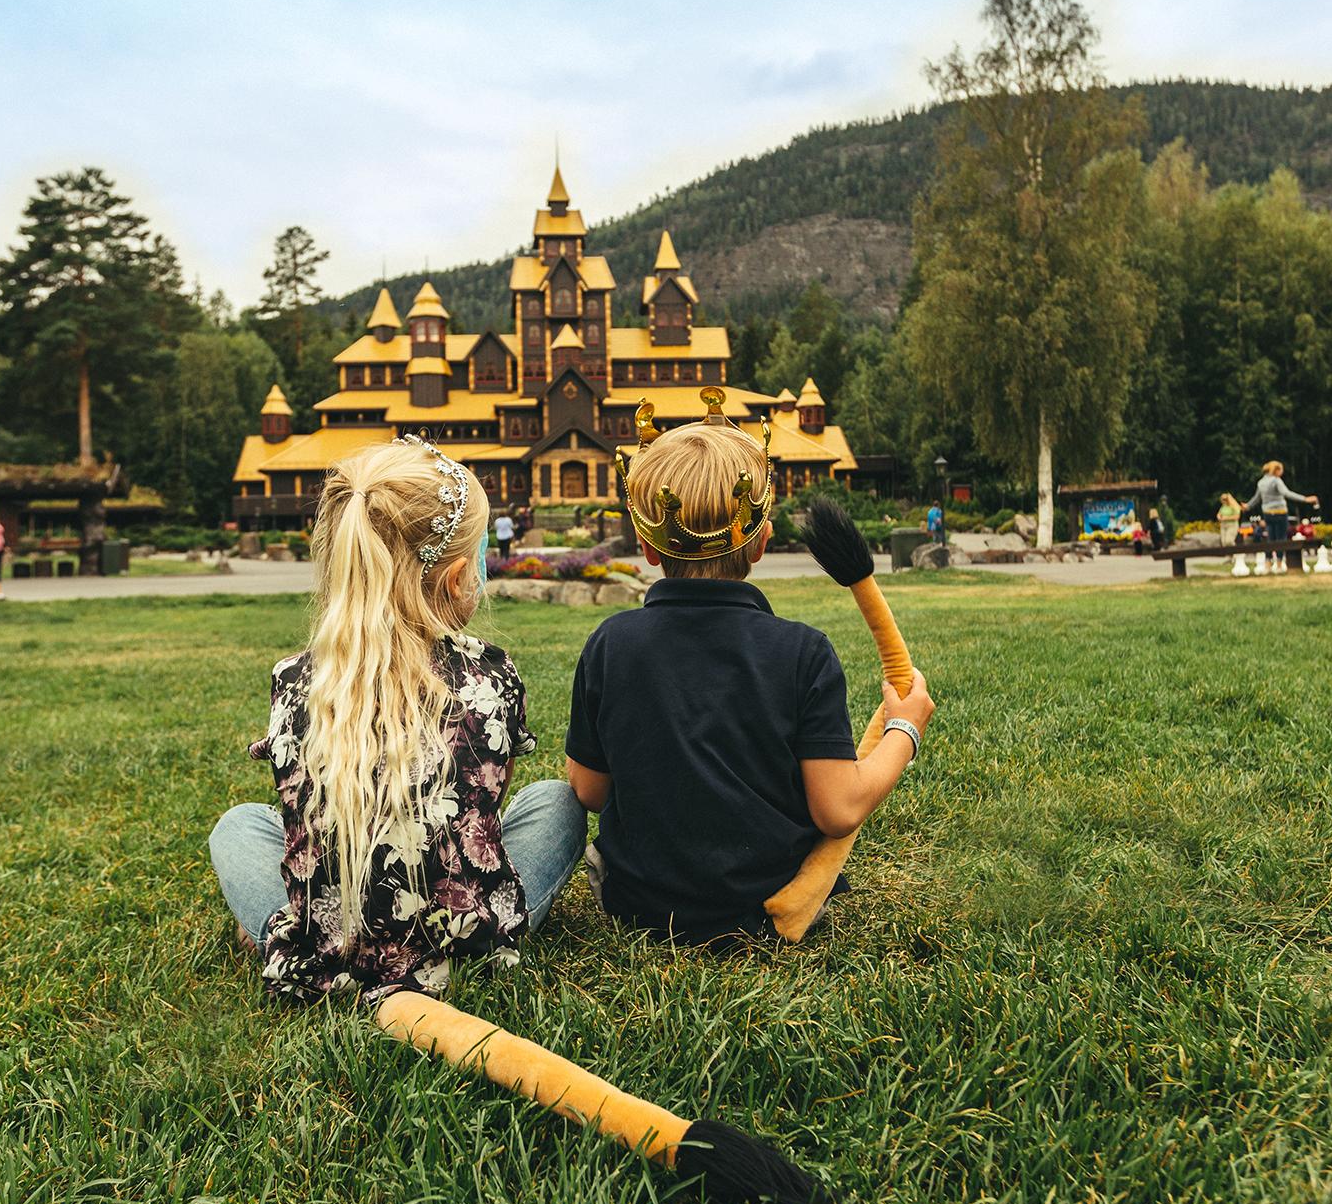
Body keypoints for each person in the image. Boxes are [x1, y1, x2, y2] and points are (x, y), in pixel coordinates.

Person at [207, 437, 585, 1005]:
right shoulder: (490, 673)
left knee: (238, 825)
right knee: (556, 801)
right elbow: (483, 803)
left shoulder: (296, 680)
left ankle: (277, 935)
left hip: (332, 955)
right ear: (457, 577)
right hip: (467, 947)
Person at [564, 415, 936, 944]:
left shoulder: (610, 642)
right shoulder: (804, 651)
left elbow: (588, 791)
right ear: (761, 541)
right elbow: (838, 810)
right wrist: (905, 729)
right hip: (770, 908)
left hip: (636, 907)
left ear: (647, 550)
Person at [1242, 461, 1318, 571]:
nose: (1282, 473)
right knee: (1281, 539)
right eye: (1281, 470)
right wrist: (1305, 499)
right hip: (1280, 513)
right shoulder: (1276, 481)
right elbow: (1286, 493)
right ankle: (1278, 565)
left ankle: (1267, 564)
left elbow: (1256, 498)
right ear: (1276, 470)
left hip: (1268, 514)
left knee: (1270, 539)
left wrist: (1247, 506)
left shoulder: (1261, 482)